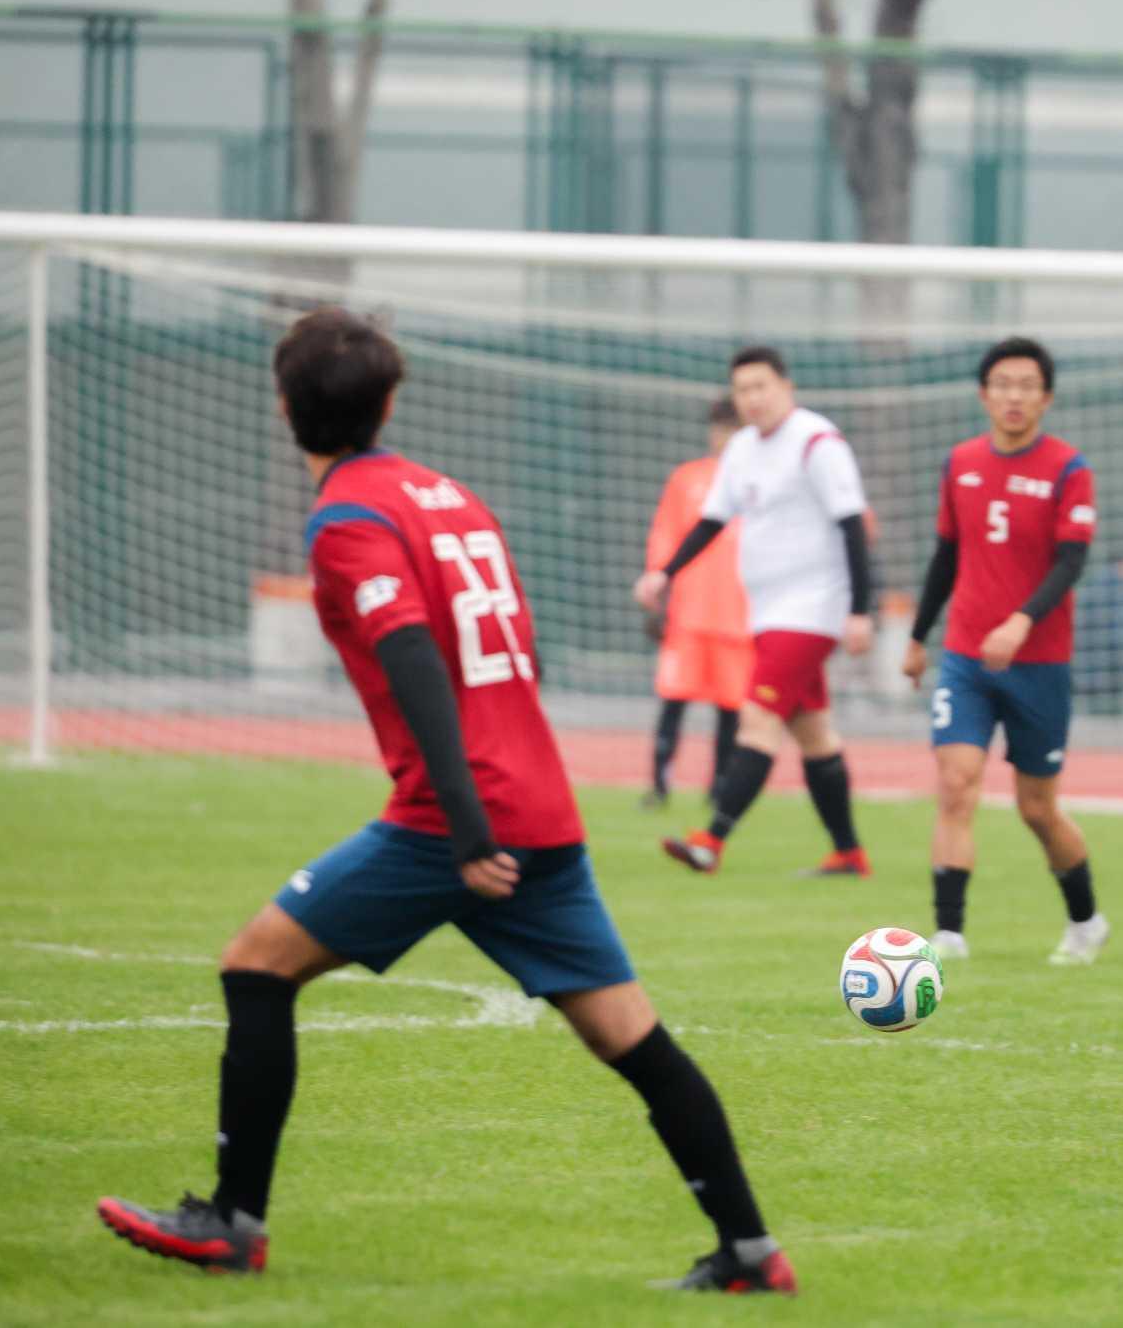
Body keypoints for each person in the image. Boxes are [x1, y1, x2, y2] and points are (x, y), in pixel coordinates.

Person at [95, 309, 795, 1293]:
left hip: (454, 819)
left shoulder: (346, 520)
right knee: (627, 1035)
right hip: (538, 805)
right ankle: (752, 1251)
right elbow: (515, 641)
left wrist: (465, 826)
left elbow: (413, 653)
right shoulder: (451, 494)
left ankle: (232, 1223)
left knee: (255, 964)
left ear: (283, 407)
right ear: (389, 404)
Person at [901, 338, 1106, 965]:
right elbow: (946, 555)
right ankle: (949, 935)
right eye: (1002, 384)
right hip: (966, 656)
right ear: (983, 394)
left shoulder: (1069, 469)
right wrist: (917, 637)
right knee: (955, 784)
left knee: (1036, 808)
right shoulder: (959, 462)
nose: (1013, 396)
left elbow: (1071, 561)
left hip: (1040, 664)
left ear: (1046, 397)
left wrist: (1021, 622)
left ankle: (1086, 921)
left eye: (1026, 385)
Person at [636, 346, 873, 878]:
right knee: (814, 735)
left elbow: (852, 524)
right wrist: (665, 574)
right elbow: (712, 522)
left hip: (812, 610)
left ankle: (710, 841)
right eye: (743, 390)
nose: (753, 398)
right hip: (767, 610)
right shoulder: (742, 448)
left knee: (757, 719)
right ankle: (848, 853)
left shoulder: (817, 442)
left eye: (761, 386)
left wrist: (860, 609)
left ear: (786, 387)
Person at [641, 397, 750, 809]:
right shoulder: (687, 479)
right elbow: (665, 537)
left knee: (730, 709)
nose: (724, 437)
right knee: (674, 700)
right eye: (720, 428)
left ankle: (719, 788)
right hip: (688, 615)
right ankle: (659, 785)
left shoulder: (759, 481)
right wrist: (658, 588)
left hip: (738, 618)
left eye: (733, 429)